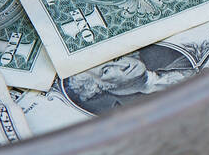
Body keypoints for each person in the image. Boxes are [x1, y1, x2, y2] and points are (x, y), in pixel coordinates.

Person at [62, 47, 195, 114]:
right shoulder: (130, 114)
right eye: (106, 70)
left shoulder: (183, 61)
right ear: (96, 87)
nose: (123, 65)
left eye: (117, 58)